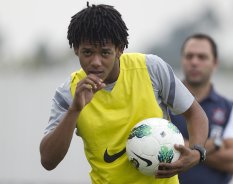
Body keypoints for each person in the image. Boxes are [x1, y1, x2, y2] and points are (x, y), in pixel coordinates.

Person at [39, 3, 209, 184]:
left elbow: (195, 114)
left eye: (105, 53)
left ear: (119, 49)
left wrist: (197, 152)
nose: (96, 62)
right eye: (87, 52)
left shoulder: (151, 68)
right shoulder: (69, 92)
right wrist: (74, 110)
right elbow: (48, 161)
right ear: (76, 49)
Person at [169, 33, 233, 184]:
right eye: (189, 56)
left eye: (202, 57)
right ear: (182, 60)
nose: (194, 62)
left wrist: (177, 144)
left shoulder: (231, 109)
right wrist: (212, 145)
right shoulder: (162, 101)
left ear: (215, 63)